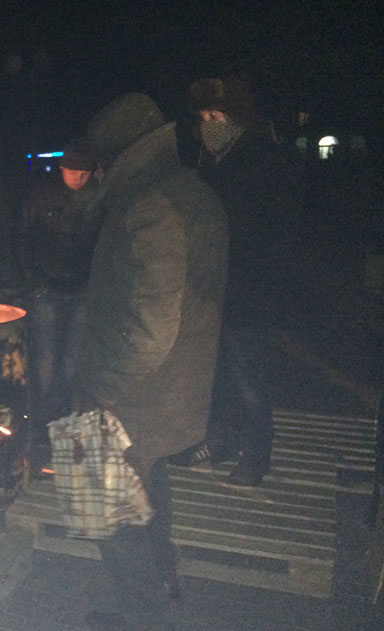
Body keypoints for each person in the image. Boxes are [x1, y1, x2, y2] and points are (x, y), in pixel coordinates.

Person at [73, 93, 229, 631]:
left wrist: (99, 387)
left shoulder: (148, 207)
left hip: (137, 392)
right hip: (176, 390)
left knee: (107, 506)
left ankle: (145, 618)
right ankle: (162, 580)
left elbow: (149, 329)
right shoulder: (192, 191)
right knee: (150, 487)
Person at [170, 76, 301, 487]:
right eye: (205, 117)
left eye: (217, 116)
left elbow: (275, 231)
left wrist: (268, 286)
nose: (209, 124)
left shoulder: (262, 159)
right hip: (214, 288)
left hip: (249, 289)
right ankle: (219, 440)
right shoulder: (212, 160)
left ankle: (257, 454)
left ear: (237, 118)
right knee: (216, 374)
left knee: (248, 378)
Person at [17, 140, 102, 427]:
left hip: (82, 289)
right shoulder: (42, 195)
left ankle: (63, 411)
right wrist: (31, 281)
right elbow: (23, 239)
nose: (78, 179)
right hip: (46, 287)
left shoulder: (98, 199)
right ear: (62, 169)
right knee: (45, 355)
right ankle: (43, 415)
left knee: (72, 357)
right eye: (73, 172)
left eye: (84, 174)